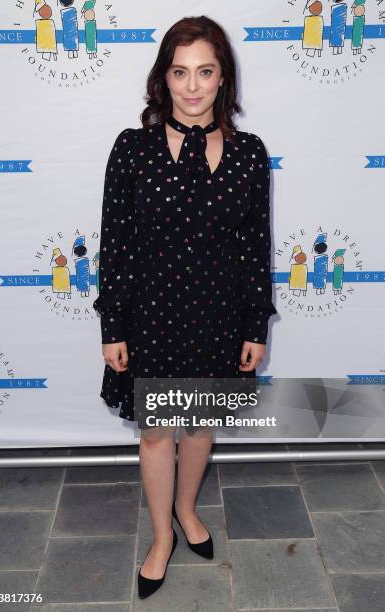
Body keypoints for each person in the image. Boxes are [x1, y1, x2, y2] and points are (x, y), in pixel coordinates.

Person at [93, 15, 277, 599]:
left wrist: (254, 323)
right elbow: (115, 242)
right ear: (163, 79)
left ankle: (188, 510)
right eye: (180, 72)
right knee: (156, 434)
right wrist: (112, 323)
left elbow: (255, 246)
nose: (192, 86)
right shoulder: (132, 148)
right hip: (151, 316)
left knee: (199, 426)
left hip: (219, 317)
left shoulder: (249, 154)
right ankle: (161, 537)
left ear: (223, 78)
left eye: (205, 71)